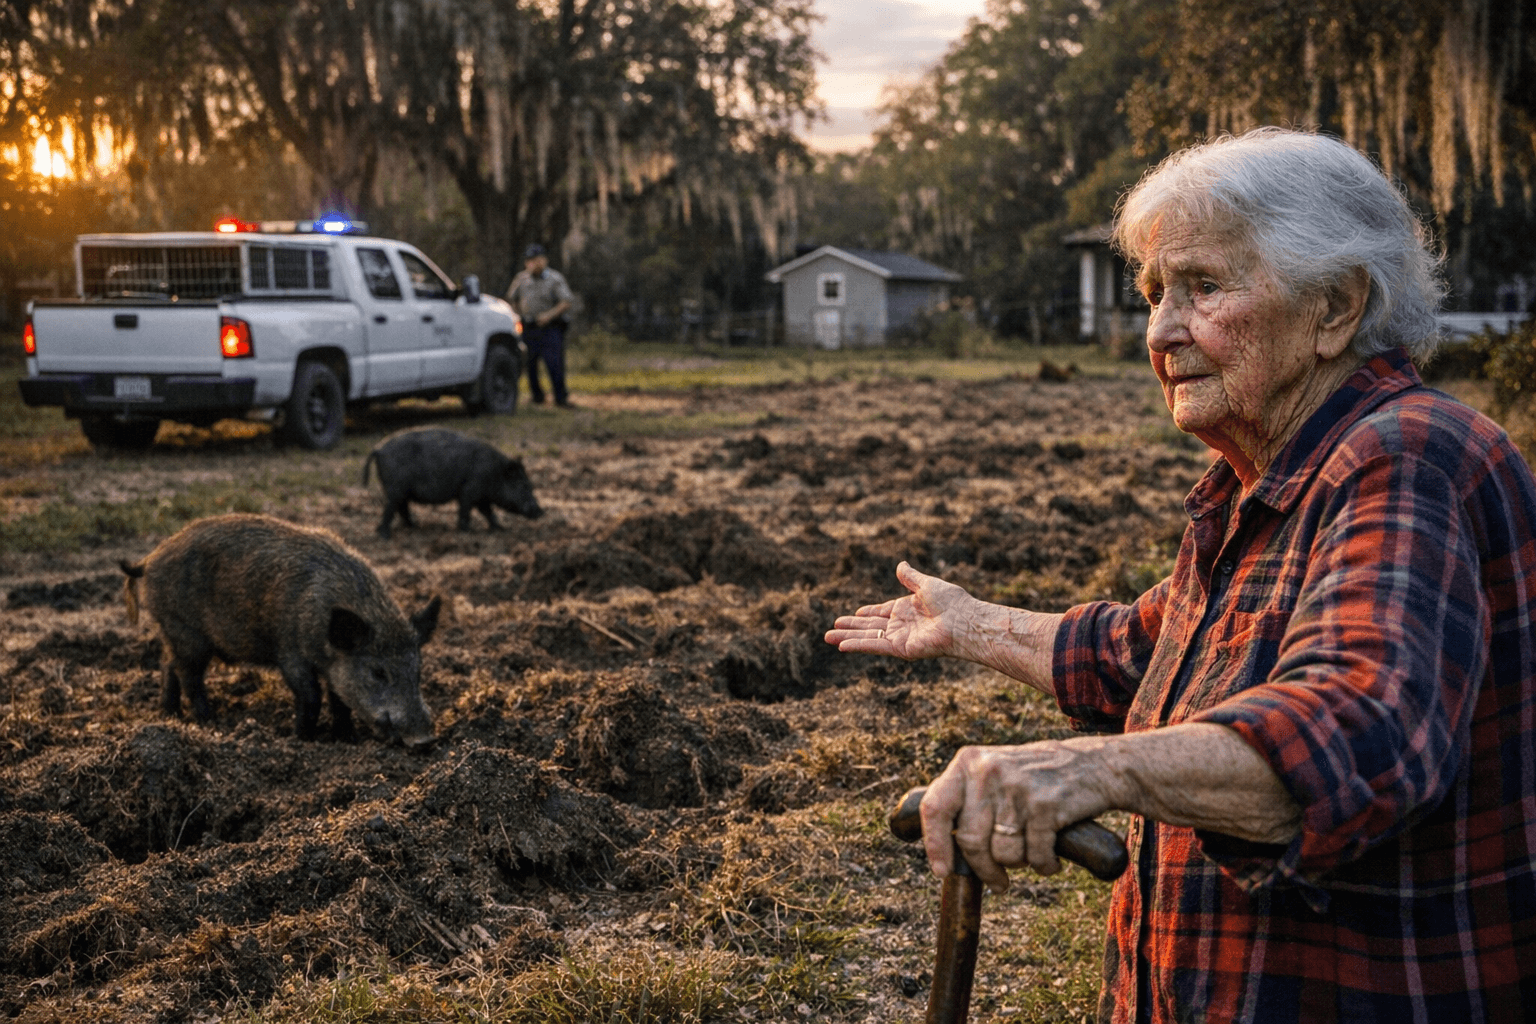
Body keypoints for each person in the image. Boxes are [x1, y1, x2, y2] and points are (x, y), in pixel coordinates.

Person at [826, 127, 1536, 1022]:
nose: (1161, 330)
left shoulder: (1406, 458)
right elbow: (1149, 653)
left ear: (1333, 308)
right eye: (1155, 293)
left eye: (1203, 287)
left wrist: (1084, 769)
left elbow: (1357, 731)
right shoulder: (1271, 483)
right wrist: (972, 625)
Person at [505, 243, 575, 407]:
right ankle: (537, 396)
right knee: (530, 364)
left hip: (550, 328)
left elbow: (566, 301)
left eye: (537, 260)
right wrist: (517, 314)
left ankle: (561, 397)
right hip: (529, 327)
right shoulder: (521, 279)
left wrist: (549, 315)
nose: (533, 264)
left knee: (554, 363)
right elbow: (511, 298)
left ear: (544, 260)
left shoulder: (554, 278)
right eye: (530, 261)